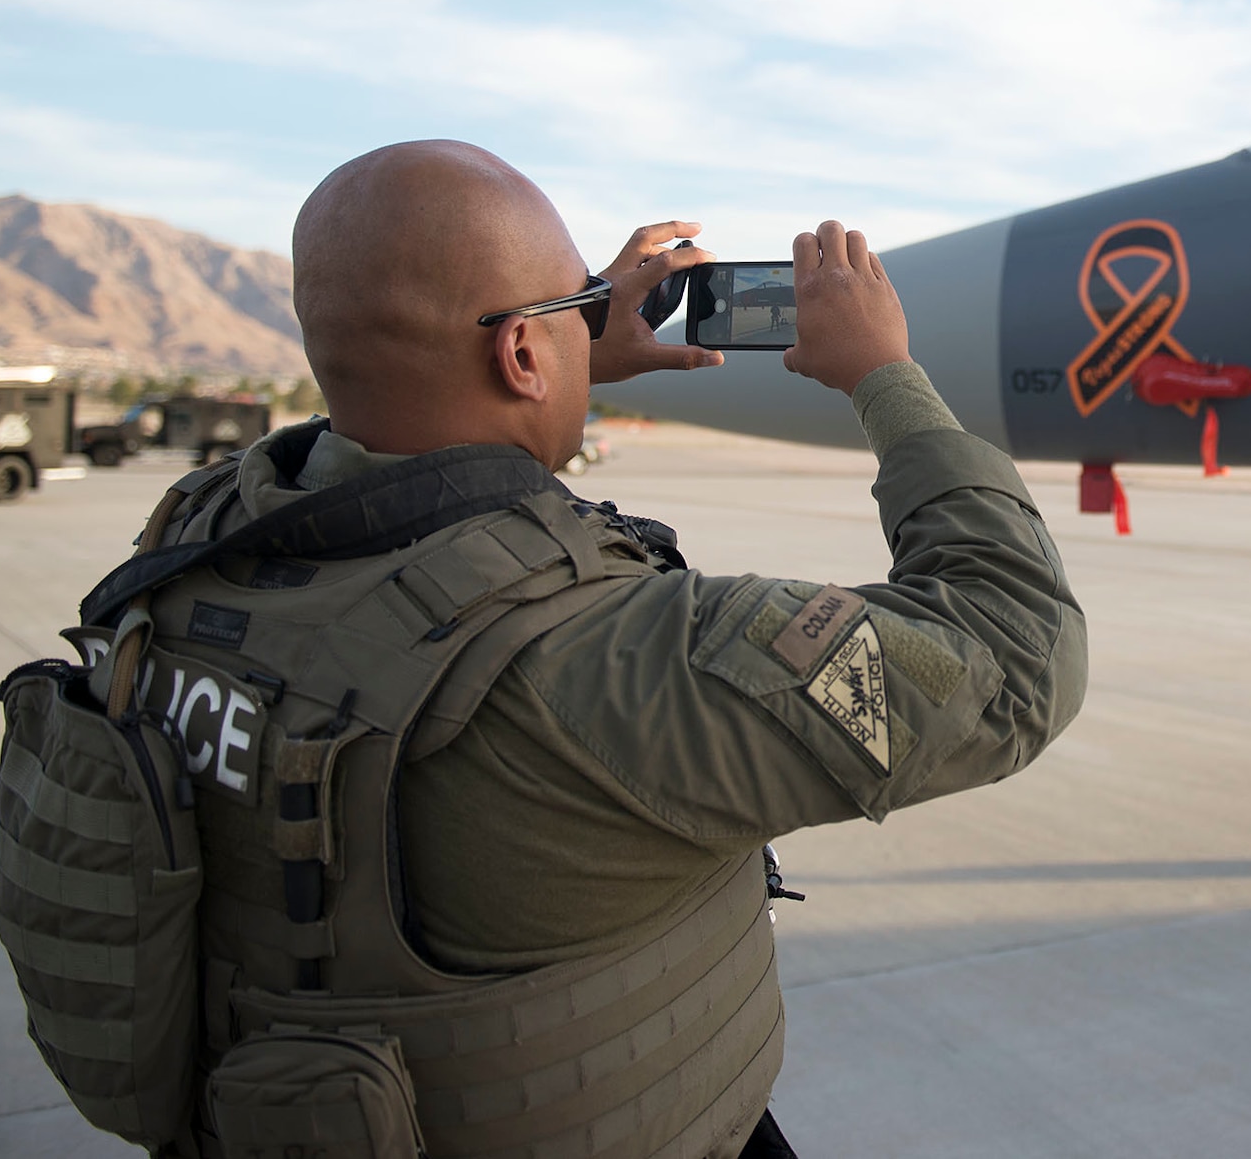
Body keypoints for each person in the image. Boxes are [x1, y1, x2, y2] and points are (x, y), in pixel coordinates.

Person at [83, 140, 1088, 1157]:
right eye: (570, 309)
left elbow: (391, 390)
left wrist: (547, 354)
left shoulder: (187, 551)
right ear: (519, 352)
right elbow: (1014, 661)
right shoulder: (606, 656)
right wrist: (885, 373)